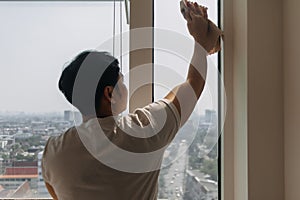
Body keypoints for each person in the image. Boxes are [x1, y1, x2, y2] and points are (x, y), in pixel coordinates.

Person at [42, 2, 217, 200]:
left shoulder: (54, 152)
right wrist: (200, 42)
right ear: (110, 94)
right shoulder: (143, 131)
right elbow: (192, 85)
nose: (125, 87)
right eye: (121, 81)